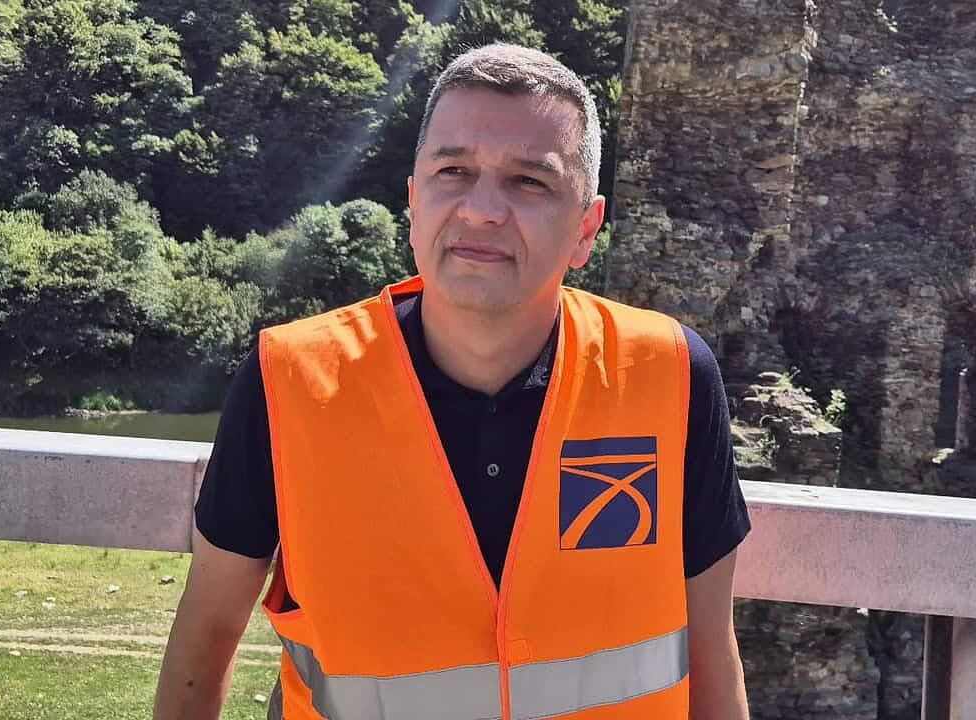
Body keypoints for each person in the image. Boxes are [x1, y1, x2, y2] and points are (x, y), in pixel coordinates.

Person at [154, 42, 751, 720]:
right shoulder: (288, 382)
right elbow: (206, 636)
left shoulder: (669, 375)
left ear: (586, 229)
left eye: (529, 181)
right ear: (414, 203)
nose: (481, 210)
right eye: (453, 171)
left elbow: (712, 653)